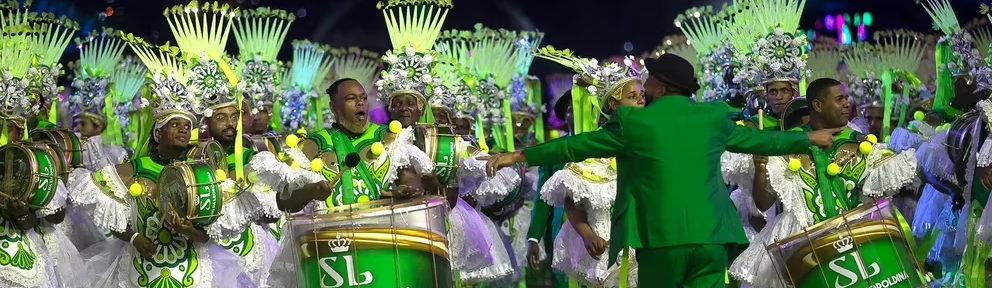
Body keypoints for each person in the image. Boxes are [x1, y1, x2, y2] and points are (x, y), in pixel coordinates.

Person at [480, 53, 841, 287]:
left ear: (661, 87)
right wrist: (809, 139)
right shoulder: (713, 116)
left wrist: (518, 156)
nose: (644, 85)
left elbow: (574, 145)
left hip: (660, 242)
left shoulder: (634, 123)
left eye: (648, 81)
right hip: (712, 238)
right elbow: (762, 142)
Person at [730, 78, 918, 287]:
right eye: (839, 99)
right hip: (802, 242)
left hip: (856, 241)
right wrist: (761, 167)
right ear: (818, 106)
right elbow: (763, 204)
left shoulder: (861, 143)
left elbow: (879, 200)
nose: (847, 104)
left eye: (846, 98)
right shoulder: (788, 143)